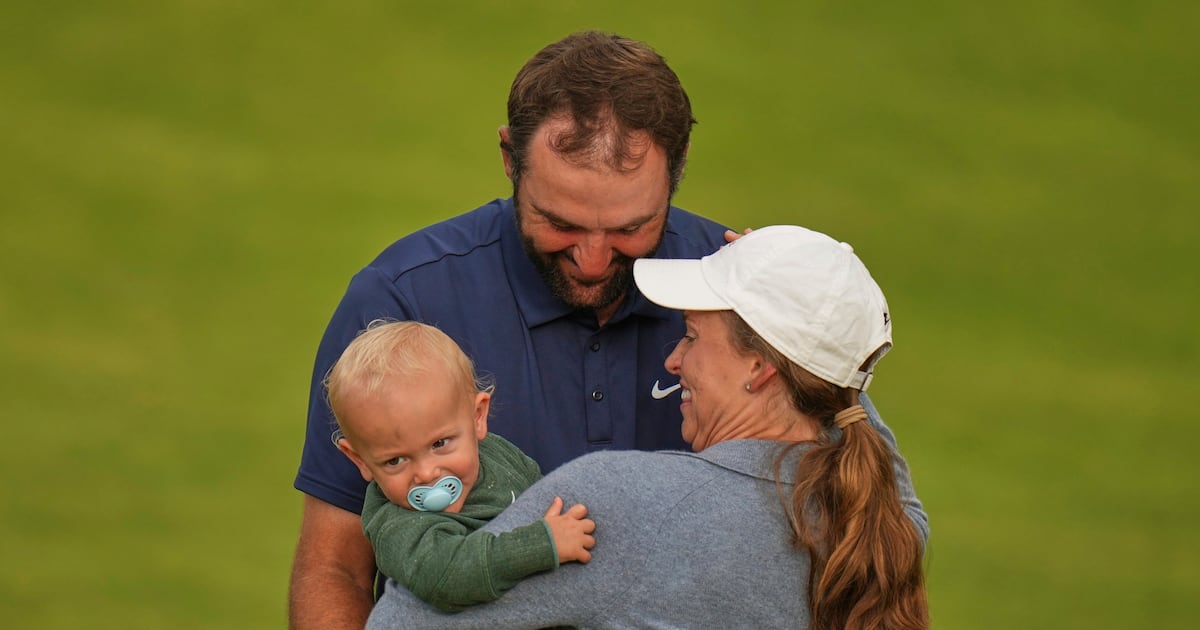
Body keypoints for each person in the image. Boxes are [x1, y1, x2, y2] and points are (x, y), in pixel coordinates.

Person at [288, 30, 740, 628]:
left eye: (630, 228)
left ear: (677, 171)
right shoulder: (400, 300)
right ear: (509, 158)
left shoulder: (736, 293)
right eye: (561, 223)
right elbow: (335, 567)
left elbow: (834, 524)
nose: (593, 261)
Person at [365, 225, 929, 629]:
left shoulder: (622, 502)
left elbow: (400, 623)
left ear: (760, 368)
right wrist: (822, 331)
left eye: (692, 337)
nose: (673, 360)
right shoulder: (881, 516)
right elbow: (846, 407)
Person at [325, 320, 596, 612]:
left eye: (440, 444)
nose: (427, 474)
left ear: (477, 417)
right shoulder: (398, 526)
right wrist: (541, 544)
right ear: (361, 460)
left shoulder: (499, 455)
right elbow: (448, 576)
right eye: (395, 460)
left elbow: (544, 494)